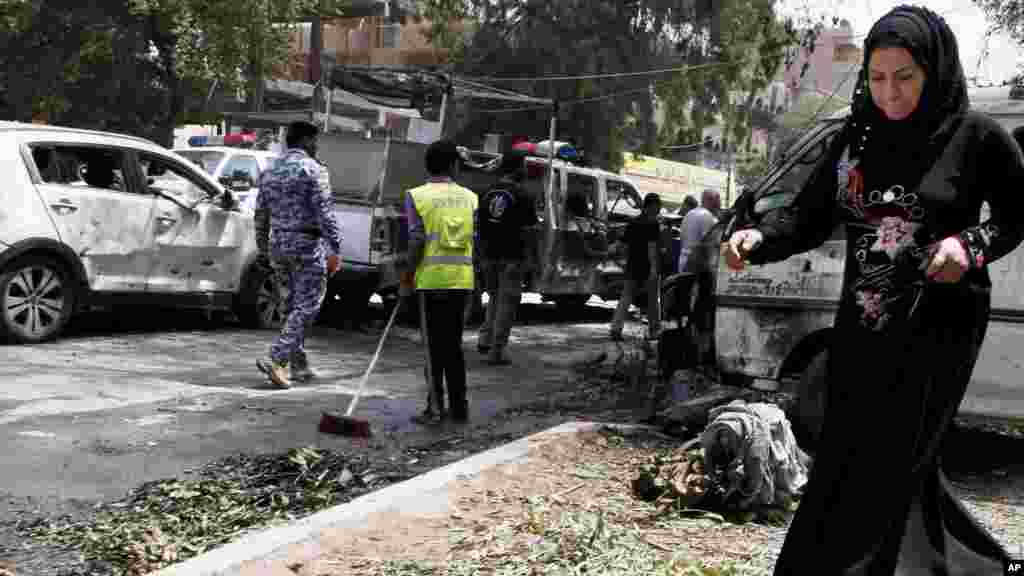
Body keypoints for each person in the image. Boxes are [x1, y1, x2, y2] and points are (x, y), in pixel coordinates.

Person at [723, 6, 1020, 573]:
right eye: (877, 78)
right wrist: (756, 237)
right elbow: (806, 217)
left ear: (934, 71)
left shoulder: (976, 137)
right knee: (844, 454)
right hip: (863, 325)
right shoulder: (853, 140)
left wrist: (970, 246)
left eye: (904, 78)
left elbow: (1016, 216)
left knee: (898, 458)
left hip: (940, 328)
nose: (890, 93)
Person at [255, 120, 343, 389]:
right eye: (315, 141)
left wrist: (261, 248)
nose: (317, 146)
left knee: (289, 305)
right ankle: (278, 357)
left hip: (277, 244)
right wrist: (336, 247)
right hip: (306, 244)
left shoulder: (269, 170)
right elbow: (325, 213)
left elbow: (260, 214)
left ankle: (298, 366)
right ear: (306, 141)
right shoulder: (314, 170)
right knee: (309, 304)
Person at [406, 139, 478, 424]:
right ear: (452, 165)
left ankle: (434, 409)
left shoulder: (417, 196)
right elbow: (476, 240)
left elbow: (416, 241)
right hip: (462, 281)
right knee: (454, 346)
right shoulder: (471, 198)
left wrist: (405, 278)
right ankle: (460, 409)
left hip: (430, 282)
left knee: (432, 349)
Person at [476, 149, 537, 365]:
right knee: (507, 303)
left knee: (493, 297)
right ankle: (497, 351)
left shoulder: (487, 191)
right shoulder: (523, 195)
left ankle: (485, 339)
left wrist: (481, 256)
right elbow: (529, 231)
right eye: (524, 165)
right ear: (518, 167)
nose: (526, 169)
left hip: (489, 256)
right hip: (512, 258)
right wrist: (530, 259)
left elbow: (480, 226)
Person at [610, 193, 663, 341]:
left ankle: (616, 329)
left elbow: (622, 244)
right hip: (647, 267)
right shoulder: (653, 224)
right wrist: (653, 268)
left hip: (632, 265)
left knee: (625, 298)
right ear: (652, 206)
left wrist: (619, 258)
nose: (659, 209)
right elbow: (651, 248)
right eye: (658, 206)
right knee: (653, 300)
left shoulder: (633, 222)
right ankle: (654, 331)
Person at [677, 189, 721, 274]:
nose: (719, 204)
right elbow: (709, 245)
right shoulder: (707, 216)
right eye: (718, 201)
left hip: (683, 259)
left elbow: (682, 237)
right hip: (695, 265)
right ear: (711, 200)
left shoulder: (690, 213)